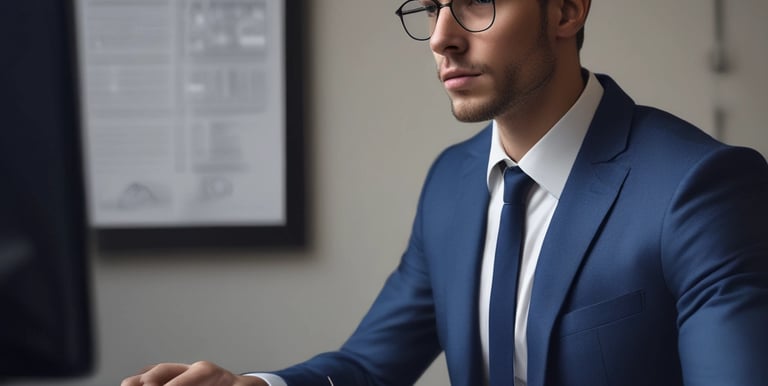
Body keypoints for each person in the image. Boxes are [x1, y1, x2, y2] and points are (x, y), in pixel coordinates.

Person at [122, 0, 768, 385]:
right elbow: (370, 368)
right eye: (431, 7)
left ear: (567, 10)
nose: (441, 37)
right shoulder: (452, 185)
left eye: (477, 2)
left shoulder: (700, 188)